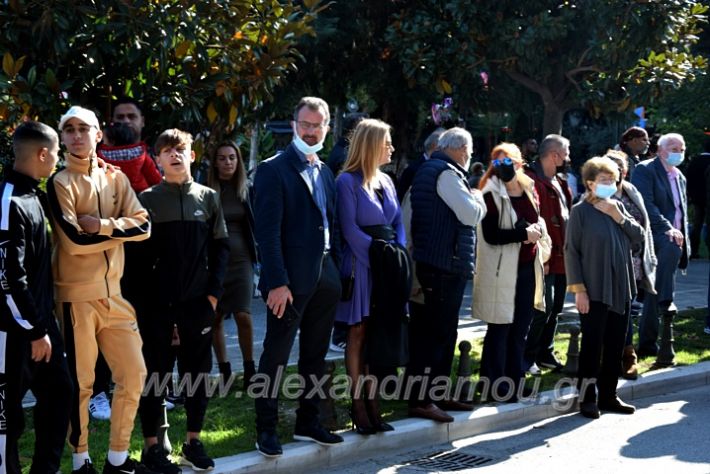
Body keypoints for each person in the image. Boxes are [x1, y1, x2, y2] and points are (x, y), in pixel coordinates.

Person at [47, 105, 151, 474]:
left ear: (98, 135)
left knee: (134, 374)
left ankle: (117, 458)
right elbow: (73, 240)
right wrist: (115, 231)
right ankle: (80, 460)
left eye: (83, 128)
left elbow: (145, 226)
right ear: (62, 137)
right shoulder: (58, 183)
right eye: (69, 129)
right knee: (82, 384)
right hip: (76, 296)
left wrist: (104, 226)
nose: (76, 135)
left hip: (115, 296)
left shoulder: (116, 179)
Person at [252, 97, 343, 457]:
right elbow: (267, 233)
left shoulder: (325, 171)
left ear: (326, 128)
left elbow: (330, 224)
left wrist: (334, 269)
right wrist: (276, 282)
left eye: (317, 125)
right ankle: (266, 429)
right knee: (275, 355)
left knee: (316, 356)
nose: (310, 131)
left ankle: (309, 422)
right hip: (287, 282)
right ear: (294, 125)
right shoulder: (273, 169)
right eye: (305, 124)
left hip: (325, 276)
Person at [134, 129, 229, 472]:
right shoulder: (146, 199)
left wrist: (214, 297)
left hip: (198, 306)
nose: (174, 155)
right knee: (155, 375)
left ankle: (193, 442)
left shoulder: (208, 197)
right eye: (167, 151)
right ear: (156, 159)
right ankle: (152, 448)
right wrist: (144, 305)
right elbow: (137, 261)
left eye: (181, 149)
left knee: (197, 376)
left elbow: (221, 250)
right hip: (157, 307)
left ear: (192, 155)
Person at [0, 121, 73, 474]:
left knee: (60, 394)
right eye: (57, 152)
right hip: (13, 332)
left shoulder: (36, 196)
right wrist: (32, 329)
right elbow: (8, 277)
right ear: (43, 153)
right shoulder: (8, 201)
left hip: (42, 325)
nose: (58, 159)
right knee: (7, 418)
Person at [334, 118, 408, 434]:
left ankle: (375, 402)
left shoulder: (388, 181)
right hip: (362, 265)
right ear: (372, 145)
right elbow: (349, 229)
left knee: (378, 332)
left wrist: (397, 255)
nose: (391, 148)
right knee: (359, 333)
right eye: (387, 142)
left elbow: (399, 223)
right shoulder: (345, 182)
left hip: (386, 265)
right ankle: (358, 405)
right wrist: (380, 256)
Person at [408, 127, 487, 422]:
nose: (469, 156)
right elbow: (471, 215)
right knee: (434, 335)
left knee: (442, 333)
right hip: (441, 264)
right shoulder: (446, 173)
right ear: (460, 149)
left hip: (441, 263)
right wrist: (478, 196)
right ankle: (422, 399)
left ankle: (437, 394)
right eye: (468, 151)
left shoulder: (436, 170)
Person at [92, 98, 161, 420]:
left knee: (143, 321)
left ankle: (144, 390)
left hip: (141, 253)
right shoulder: (131, 156)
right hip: (105, 253)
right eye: (119, 117)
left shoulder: (105, 156)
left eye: (130, 116)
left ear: (142, 121)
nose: (125, 121)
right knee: (103, 324)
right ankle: (99, 392)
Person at [565, 156, 644, 419]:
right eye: (604, 180)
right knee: (591, 346)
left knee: (615, 344)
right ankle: (587, 398)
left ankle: (609, 395)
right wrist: (579, 290)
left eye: (613, 180)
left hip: (620, 287)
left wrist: (619, 217)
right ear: (589, 183)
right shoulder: (580, 212)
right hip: (593, 288)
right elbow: (571, 252)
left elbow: (639, 237)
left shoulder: (617, 206)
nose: (610, 184)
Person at [474, 143, 550, 401]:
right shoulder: (489, 192)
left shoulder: (529, 186)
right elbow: (491, 234)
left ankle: (515, 380)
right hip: (501, 269)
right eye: (499, 162)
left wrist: (536, 230)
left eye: (510, 162)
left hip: (528, 266)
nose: (505, 167)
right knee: (500, 328)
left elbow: (537, 218)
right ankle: (493, 385)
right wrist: (522, 234)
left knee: (520, 328)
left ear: (520, 163)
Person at [631, 133, 689, 359]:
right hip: (655, 240)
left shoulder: (679, 176)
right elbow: (646, 205)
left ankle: (650, 342)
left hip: (674, 244)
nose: (680, 152)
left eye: (682, 148)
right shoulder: (646, 170)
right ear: (661, 149)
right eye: (675, 148)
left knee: (654, 292)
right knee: (658, 293)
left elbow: (681, 213)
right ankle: (666, 308)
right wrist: (668, 229)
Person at [207, 142, 258, 386]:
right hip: (215, 261)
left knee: (243, 315)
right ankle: (225, 370)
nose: (228, 162)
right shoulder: (206, 191)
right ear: (215, 162)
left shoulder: (247, 189)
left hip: (242, 260)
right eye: (222, 158)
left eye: (232, 158)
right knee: (215, 317)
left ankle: (250, 369)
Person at [604, 151, 657, 379]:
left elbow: (643, 226)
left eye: (620, 167)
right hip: (606, 263)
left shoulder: (631, 190)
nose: (617, 171)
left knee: (625, 310)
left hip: (633, 263)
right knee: (608, 310)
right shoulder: (598, 193)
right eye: (611, 166)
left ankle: (627, 355)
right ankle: (608, 356)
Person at [522, 135, 572, 375]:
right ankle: (528, 356)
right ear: (555, 155)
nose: (568, 158)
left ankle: (545, 352)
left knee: (556, 307)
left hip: (564, 255)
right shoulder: (532, 179)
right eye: (566, 152)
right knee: (541, 309)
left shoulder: (560, 181)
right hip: (543, 257)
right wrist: (546, 258)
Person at [326, 112, 367, 352]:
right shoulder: (344, 156)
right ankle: (339, 334)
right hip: (343, 230)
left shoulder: (342, 151)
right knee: (347, 283)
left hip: (343, 229)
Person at [396, 128, 445, 201]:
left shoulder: (443, 168)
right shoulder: (413, 170)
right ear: (436, 147)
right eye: (445, 146)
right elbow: (401, 198)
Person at [685, 138, 710, 258]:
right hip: (707, 197)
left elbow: (687, 179)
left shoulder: (695, 161)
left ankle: (694, 250)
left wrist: (690, 195)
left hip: (696, 198)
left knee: (697, 224)